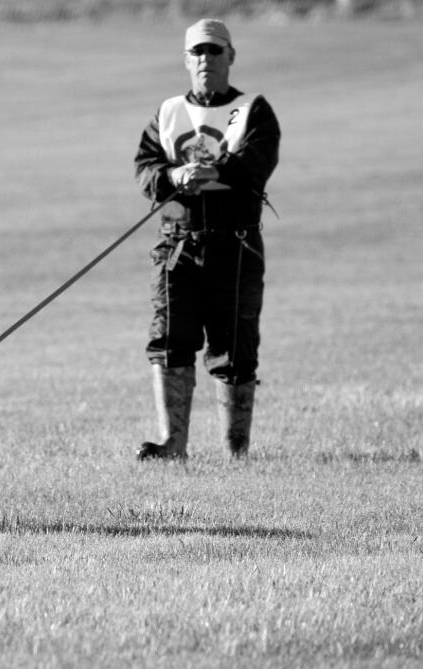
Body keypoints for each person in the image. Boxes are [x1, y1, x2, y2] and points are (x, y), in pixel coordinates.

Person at [133, 18, 280, 460]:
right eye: (197, 52)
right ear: (186, 59)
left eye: (215, 51)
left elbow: (258, 159)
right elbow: (145, 167)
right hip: (177, 245)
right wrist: (175, 174)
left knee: (235, 348)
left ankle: (236, 451)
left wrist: (216, 171)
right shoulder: (168, 111)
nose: (206, 60)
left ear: (230, 57)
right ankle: (173, 443)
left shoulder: (255, 108)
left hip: (235, 245)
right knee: (169, 341)